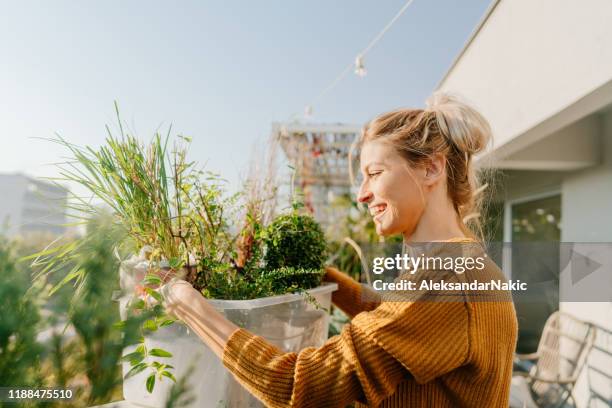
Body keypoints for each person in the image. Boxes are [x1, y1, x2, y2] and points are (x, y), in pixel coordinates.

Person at [159, 93, 518, 407]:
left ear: (431, 169)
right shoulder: (464, 267)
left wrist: (189, 306)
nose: (361, 194)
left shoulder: (449, 276)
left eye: (374, 173)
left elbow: (298, 387)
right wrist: (318, 275)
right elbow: (395, 322)